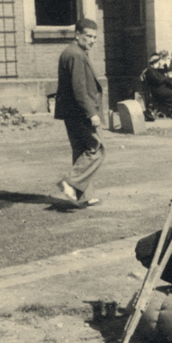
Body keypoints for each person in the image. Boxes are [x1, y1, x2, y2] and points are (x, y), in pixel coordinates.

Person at [54, 18, 104, 208]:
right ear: (77, 35)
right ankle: (70, 182)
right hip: (79, 111)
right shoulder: (76, 54)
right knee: (97, 149)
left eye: (94, 37)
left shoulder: (72, 52)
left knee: (81, 150)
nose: (92, 40)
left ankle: (85, 195)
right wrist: (91, 113)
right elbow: (79, 88)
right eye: (88, 36)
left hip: (71, 111)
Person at [143, 53, 172, 119]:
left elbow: (166, 73)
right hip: (158, 91)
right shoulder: (149, 71)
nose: (160, 63)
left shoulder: (157, 70)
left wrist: (169, 78)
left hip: (164, 89)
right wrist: (166, 77)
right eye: (158, 62)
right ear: (155, 63)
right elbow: (158, 81)